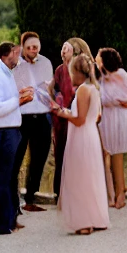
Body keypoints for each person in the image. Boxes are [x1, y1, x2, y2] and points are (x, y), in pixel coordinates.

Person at [52, 54, 108, 235]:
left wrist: (59, 112)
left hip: (82, 137)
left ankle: (84, 222)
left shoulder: (83, 90)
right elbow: (94, 116)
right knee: (91, 177)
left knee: (80, 179)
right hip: (90, 135)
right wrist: (67, 111)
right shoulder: (94, 88)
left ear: (76, 72)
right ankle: (96, 217)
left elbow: (79, 120)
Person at [0, 41, 34, 235]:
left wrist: (19, 96)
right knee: (3, 178)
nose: (19, 59)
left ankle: (10, 219)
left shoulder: (7, 73)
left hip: (10, 130)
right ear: (9, 53)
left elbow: (6, 102)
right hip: (1, 132)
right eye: (17, 54)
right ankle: (2, 224)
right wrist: (20, 100)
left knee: (10, 177)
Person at [12, 32, 53, 212]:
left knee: (39, 159)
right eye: (29, 47)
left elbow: (48, 88)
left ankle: (30, 197)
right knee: (16, 159)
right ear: (22, 47)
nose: (32, 51)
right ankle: (13, 199)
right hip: (21, 117)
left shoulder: (46, 63)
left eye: (35, 47)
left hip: (42, 115)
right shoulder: (15, 65)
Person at [52, 38, 93, 205]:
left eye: (66, 48)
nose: (63, 51)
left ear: (75, 51)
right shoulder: (60, 70)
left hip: (77, 116)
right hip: (61, 119)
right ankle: (59, 193)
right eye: (62, 48)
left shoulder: (83, 71)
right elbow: (55, 90)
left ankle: (77, 194)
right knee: (61, 154)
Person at [96, 48, 127, 209]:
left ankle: (120, 195)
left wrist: (115, 101)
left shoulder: (121, 74)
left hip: (118, 118)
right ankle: (110, 195)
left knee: (116, 157)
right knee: (106, 157)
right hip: (105, 118)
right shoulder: (100, 78)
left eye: (98, 57)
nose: (95, 59)